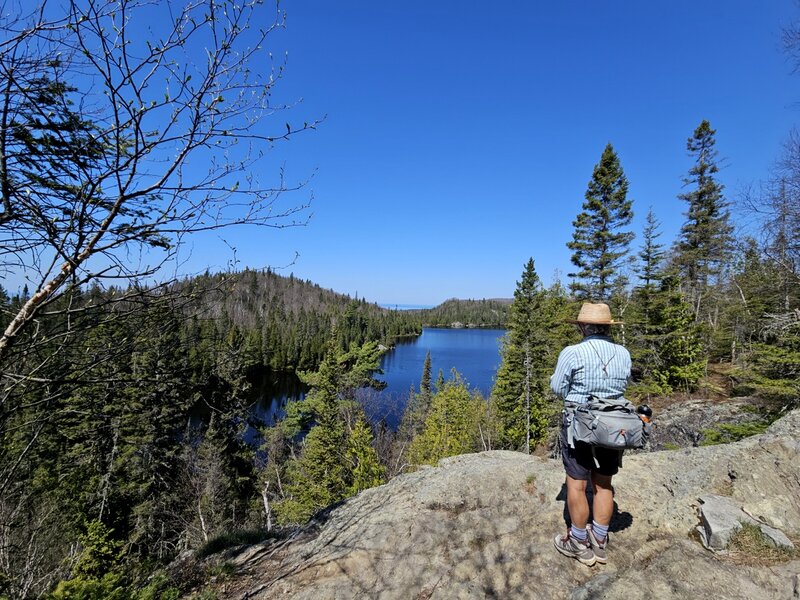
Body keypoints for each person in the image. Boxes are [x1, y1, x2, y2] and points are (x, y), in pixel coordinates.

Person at [550, 302, 631, 567]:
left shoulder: (573, 352)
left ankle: (578, 541)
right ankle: (600, 540)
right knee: (603, 484)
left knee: (576, 484)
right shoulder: (623, 353)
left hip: (579, 424)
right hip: (612, 425)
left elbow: (558, 388)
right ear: (607, 327)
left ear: (584, 326)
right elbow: (623, 385)